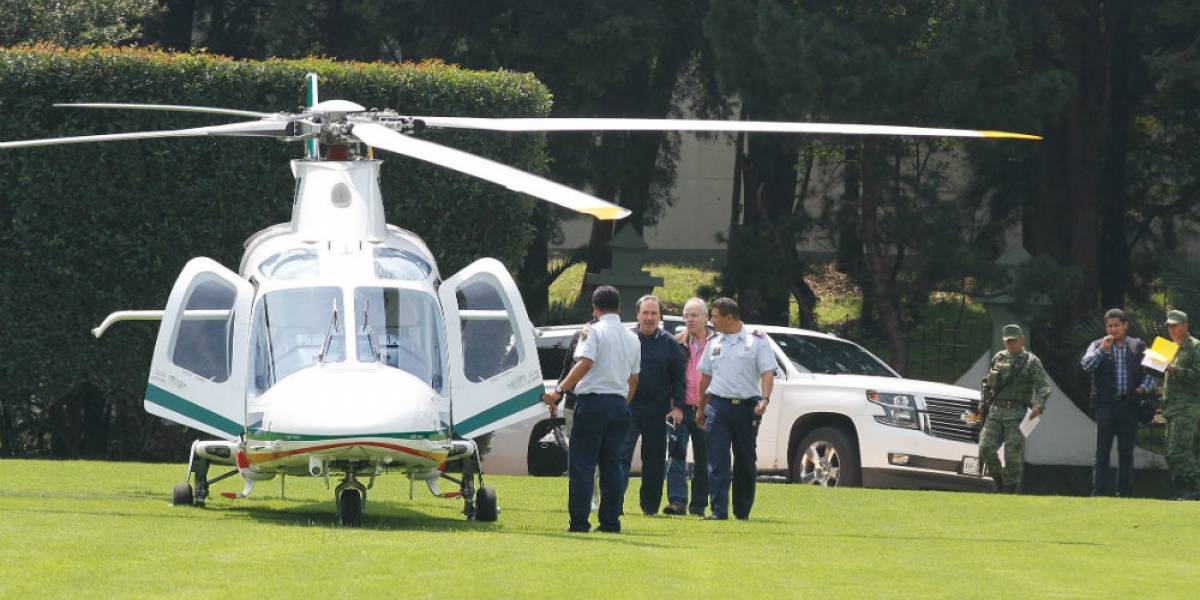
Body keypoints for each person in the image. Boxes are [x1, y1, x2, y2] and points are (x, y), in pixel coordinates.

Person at [543, 286, 639, 532]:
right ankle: (610, 522)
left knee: (582, 465)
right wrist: (622, 402)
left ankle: (579, 522)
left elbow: (585, 362)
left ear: (595, 309)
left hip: (593, 403)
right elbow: (634, 378)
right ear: (619, 308)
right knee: (613, 466)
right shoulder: (632, 337)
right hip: (619, 404)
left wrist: (559, 390)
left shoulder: (592, 331)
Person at [695, 297, 776, 520]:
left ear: (729, 317)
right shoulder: (714, 342)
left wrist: (765, 399)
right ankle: (718, 510)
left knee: (745, 460)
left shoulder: (757, 341)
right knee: (718, 460)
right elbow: (705, 377)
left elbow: (767, 373)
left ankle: (742, 511)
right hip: (719, 406)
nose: (712, 320)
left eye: (715, 316)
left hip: (746, 407)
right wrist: (701, 408)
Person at [618, 295, 686, 516]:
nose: (649, 318)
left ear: (660, 316)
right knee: (620, 457)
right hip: (628, 409)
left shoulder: (670, 343)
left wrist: (678, 407)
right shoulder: (625, 339)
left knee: (655, 463)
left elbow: (679, 378)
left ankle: (649, 508)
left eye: (653, 313)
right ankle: (614, 504)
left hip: (658, 411)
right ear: (637, 315)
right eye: (645, 313)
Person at [1080, 308, 1155, 497]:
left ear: (1125, 325)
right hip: (1105, 406)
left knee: (1126, 452)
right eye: (1109, 326)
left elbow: (1152, 374)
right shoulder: (1097, 345)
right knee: (1102, 450)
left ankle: (1125, 492)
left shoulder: (1137, 346)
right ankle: (1099, 492)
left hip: (1129, 405)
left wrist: (1143, 388)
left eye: (1117, 325)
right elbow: (1086, 365)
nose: (1113, 330)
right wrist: (1102, 350)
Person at [977, 324, 1050, 494]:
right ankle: (998, 480)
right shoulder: (999, 357)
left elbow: (1043, 387)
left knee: (1012, 454)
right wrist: (983, 401)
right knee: (985, 447)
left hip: (1016, 412)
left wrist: (1039, 406)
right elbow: (988, 382)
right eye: (1008, 341)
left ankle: (1010, 490)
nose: (1012, 344)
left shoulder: (1032, 362)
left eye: (1015, 340)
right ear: (1004, 342)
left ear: (1022, 339)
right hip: (995, 410)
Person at [664, 297, 711, 516]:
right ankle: (677, 502)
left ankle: (699, 505)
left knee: (705, 458)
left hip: (708, 410)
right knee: (675, 455)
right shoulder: (675, 342)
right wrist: (675, 406)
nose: (689, 320)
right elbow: (668, 378)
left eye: (694, 315)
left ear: (706, 318)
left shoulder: (717, 344)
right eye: (686, 315)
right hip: (679, 410)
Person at [1162, 310, 1200, 500]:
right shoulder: (1168, 347)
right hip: (1170, 408)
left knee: (1179, 450)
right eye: (1169, 326)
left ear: (1185, 325)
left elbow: (1197, 376)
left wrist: (1174, 370)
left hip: (1187, 407)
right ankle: (1184, 490)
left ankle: (1194, 488)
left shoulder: (1195, 347)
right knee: (1170, 452)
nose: (1171, 329)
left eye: (1175, 325)